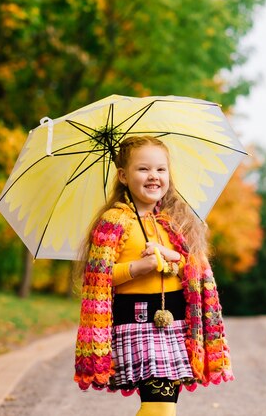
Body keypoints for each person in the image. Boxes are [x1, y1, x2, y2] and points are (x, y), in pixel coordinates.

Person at [74, 135, 233, 416]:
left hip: (177, 324)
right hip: (136, 320)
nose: (154, 176)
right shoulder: (114, 222)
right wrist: (139, 268)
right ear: (123, 176)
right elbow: (98, 279)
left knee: (165, 403)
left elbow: (194, 271)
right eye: (143, 169)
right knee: (161, 406)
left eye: (161, 169)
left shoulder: (177, 222)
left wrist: (173, 259)